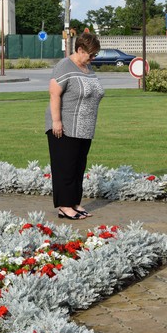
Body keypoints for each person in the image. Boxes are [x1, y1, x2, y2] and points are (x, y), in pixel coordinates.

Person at [45, 32, 104, 220]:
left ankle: (74, 203)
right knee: (65, 167)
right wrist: (56, 121)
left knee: (78, 167)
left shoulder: (87, 67)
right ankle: (64, 206)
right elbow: (54, 93)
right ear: (80, 50)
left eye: (95, 55)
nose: (93, 58)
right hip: (65, 126)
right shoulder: (64, 66)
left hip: (84, 128)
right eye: (91, 55)